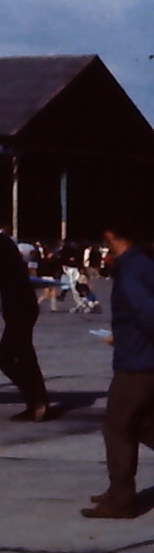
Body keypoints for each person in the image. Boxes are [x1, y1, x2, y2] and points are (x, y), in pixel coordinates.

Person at [85, 213, 154, 519]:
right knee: (143, 424)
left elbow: (149, 315)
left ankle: (122, 499)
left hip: (138, 363)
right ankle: (117, 492)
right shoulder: (142, 264)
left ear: (111, 235)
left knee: (117, 426)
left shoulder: (131, 272)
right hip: (141, 355)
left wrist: (131, 340)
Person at [0, 212, 51, 422]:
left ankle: (36, 400)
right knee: (26, 355)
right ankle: (38, 402)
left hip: (18, 307)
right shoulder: (6, 242)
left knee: (5, 358)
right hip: (25, 305)